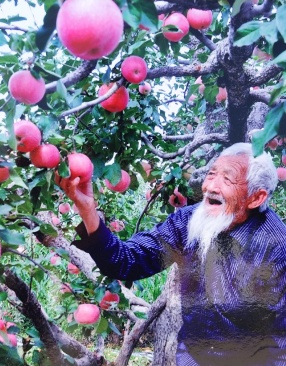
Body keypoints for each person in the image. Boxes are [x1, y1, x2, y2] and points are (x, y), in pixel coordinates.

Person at [56, 142, 286, 366]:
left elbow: (280, 337)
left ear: (256, 198)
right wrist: (87, 209)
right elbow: (125, 261)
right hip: (193, 354)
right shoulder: (188, 222)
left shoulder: (276, 246)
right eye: (212, 174)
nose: (211, 187)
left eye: (227, 179)